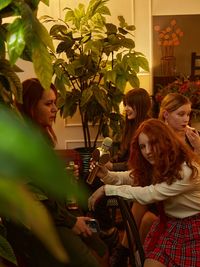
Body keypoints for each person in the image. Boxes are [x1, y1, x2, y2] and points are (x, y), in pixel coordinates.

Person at [5, 78, 109, 267]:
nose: (55, 109)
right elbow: (35, 197)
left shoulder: (40, 138)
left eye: (55, 103)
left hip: (53, 215)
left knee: (99, 245)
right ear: (30, 107)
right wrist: (71, 222)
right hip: (36, 226)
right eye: (48, 103)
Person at [88, 118, 200, 267]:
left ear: (166, 141)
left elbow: (149, 194)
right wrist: (107, 175)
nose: (147, 151)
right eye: (142, 146)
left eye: (152, 144)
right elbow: (131, 176)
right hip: (170, 225)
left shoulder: (186, 170)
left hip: (194, 230)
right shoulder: (161, 163)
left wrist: (106, 189)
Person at [103, 88, 158, 266]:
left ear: (140, 105)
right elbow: (126, 156)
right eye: (125, 104)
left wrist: (113, 168)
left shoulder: (149, 128)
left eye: (130, 104)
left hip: (145, 183)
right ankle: (112, 236)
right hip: (139, 180)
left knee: (139, 193)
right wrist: (110, 163)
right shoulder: (130, 126)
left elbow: (138, 166)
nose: (125, 108)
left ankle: (120, 246)